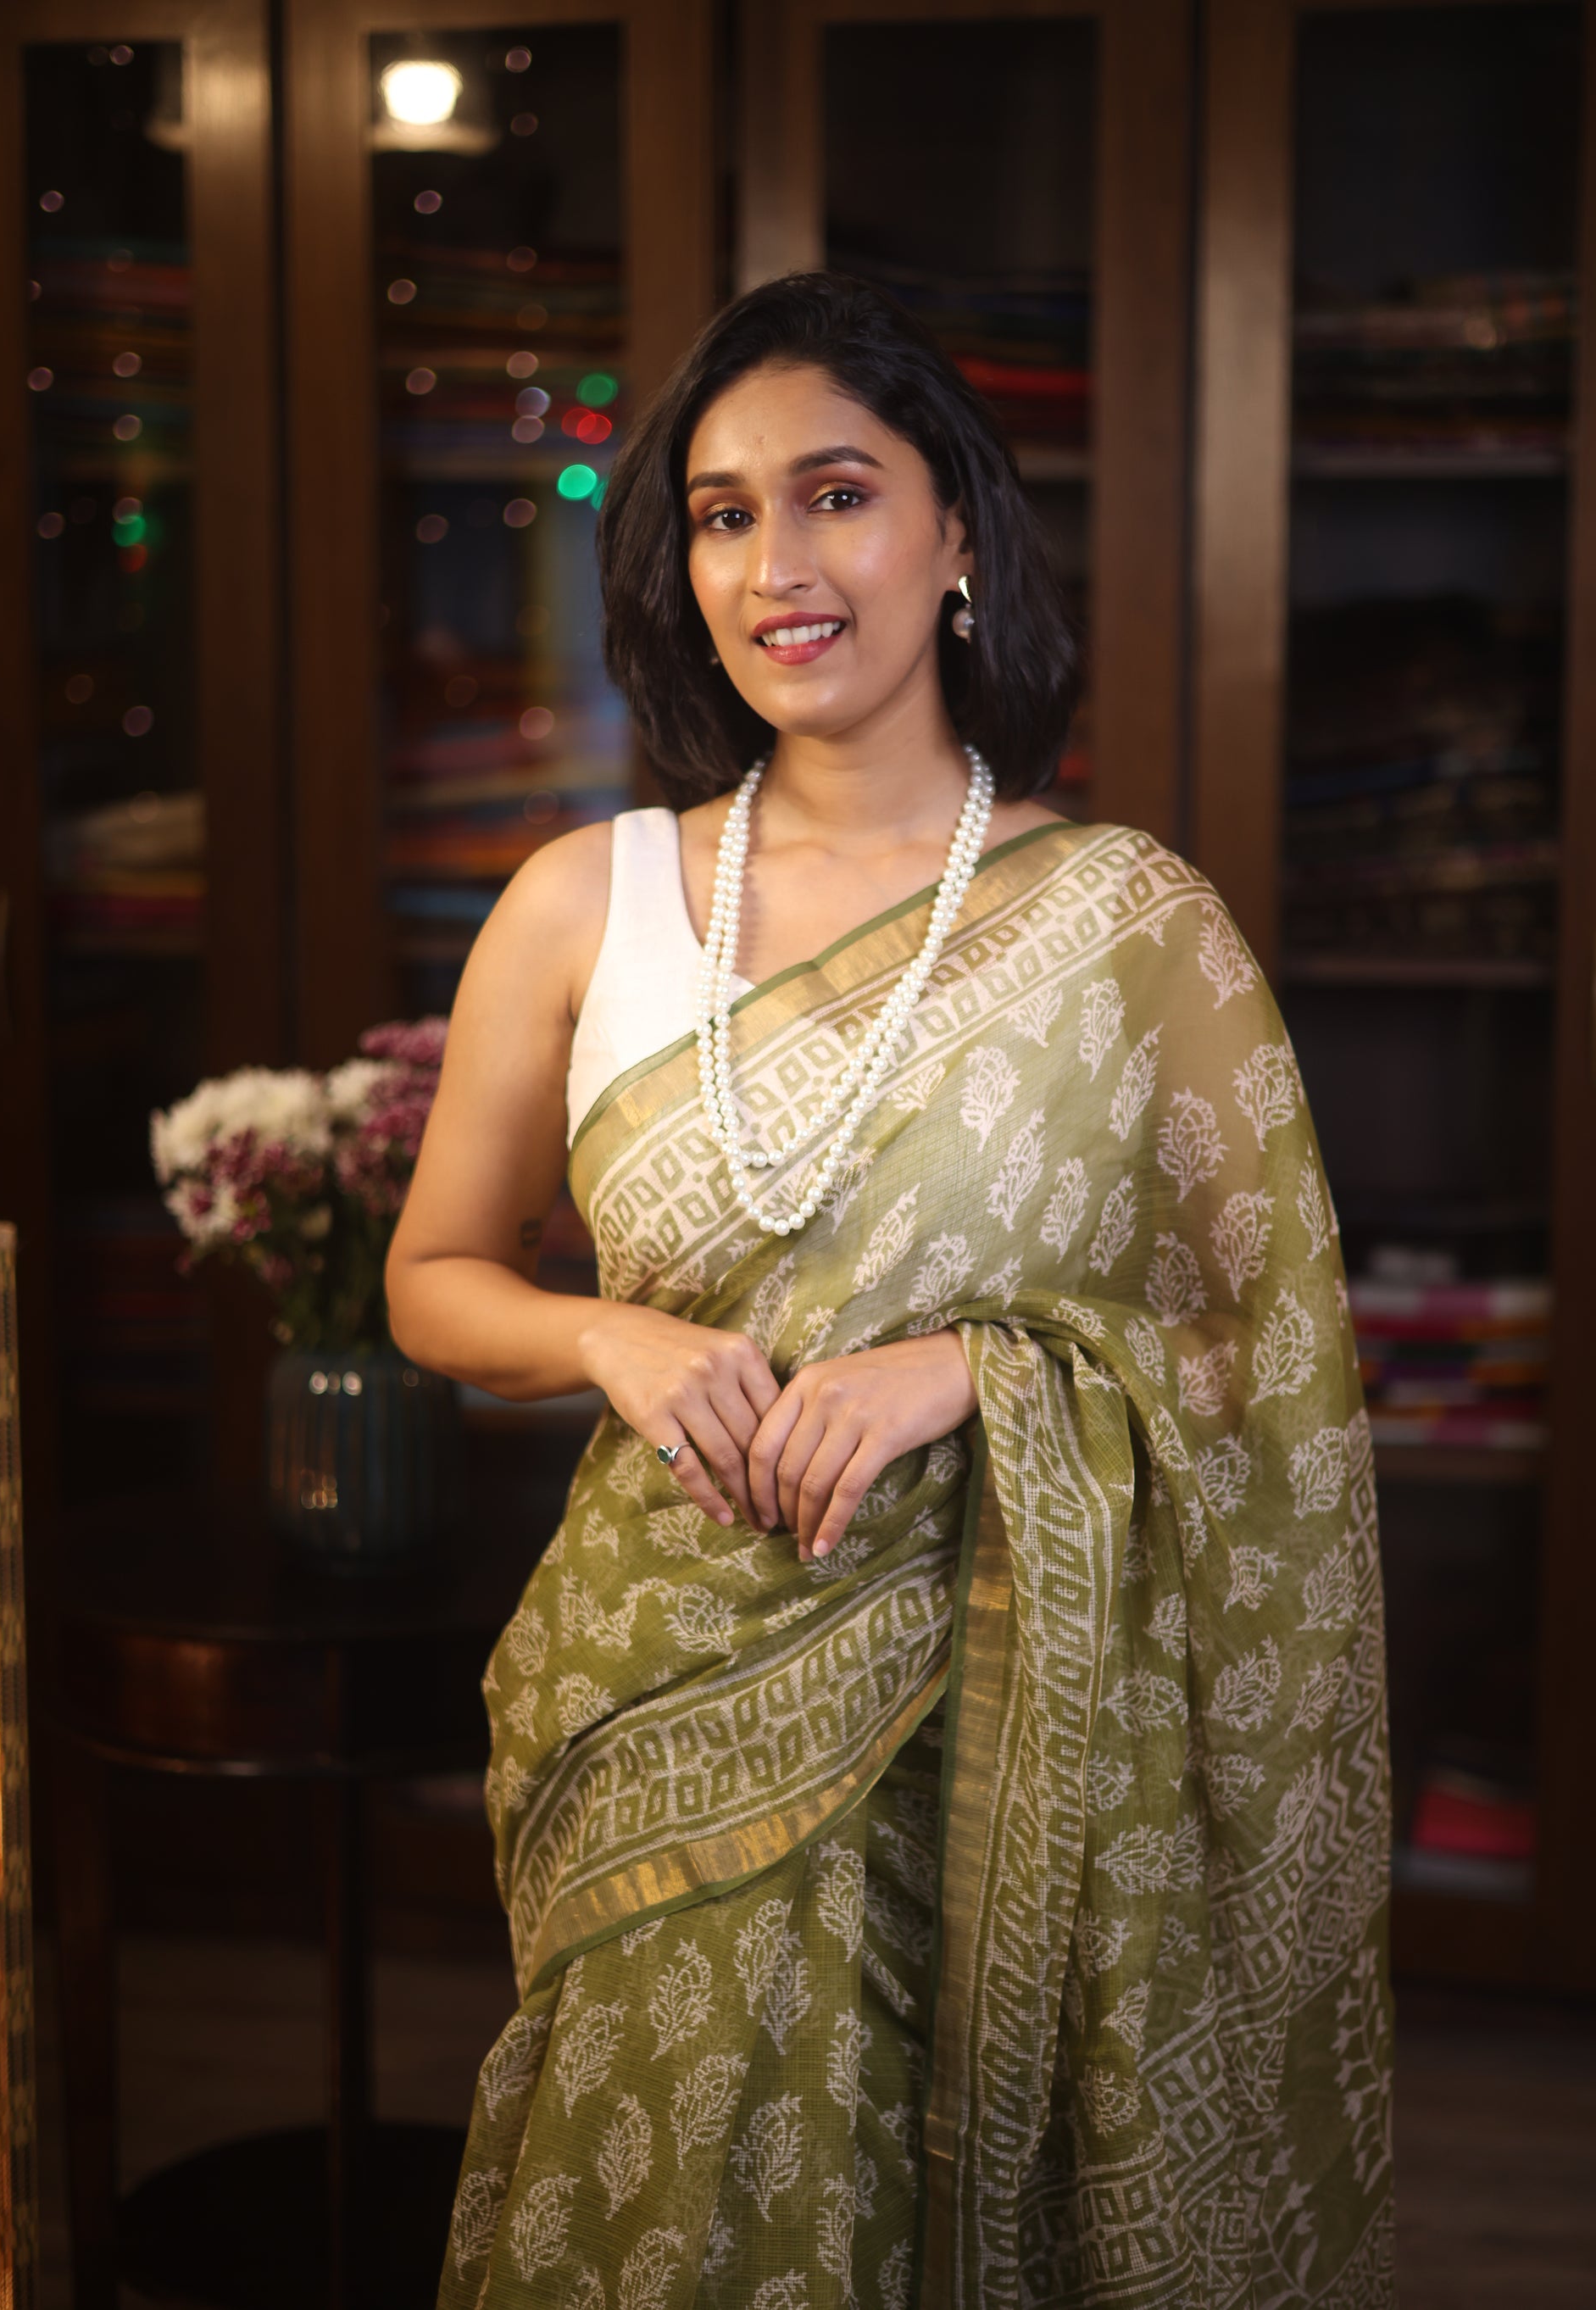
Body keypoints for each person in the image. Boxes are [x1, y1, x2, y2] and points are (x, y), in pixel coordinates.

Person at [389, 271, 1393, 2310]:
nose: (777, 562)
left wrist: (972, 1370)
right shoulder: (584, 902)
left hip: (1015, 1736)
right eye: (723, 513)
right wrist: (601, 1333)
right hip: (654, 1692)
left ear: (954, 535)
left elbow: (1268, 1349)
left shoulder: (1129, 924)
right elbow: (432, 1278)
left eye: (835, 494)